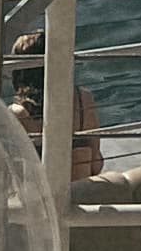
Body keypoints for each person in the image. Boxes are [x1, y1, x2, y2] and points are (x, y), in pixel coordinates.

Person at [8, 38, 106, 188]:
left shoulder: (18, 114)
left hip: (41, 198)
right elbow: (96, 165)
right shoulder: (83, 98)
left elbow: (13, 175)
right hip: (80, 193)